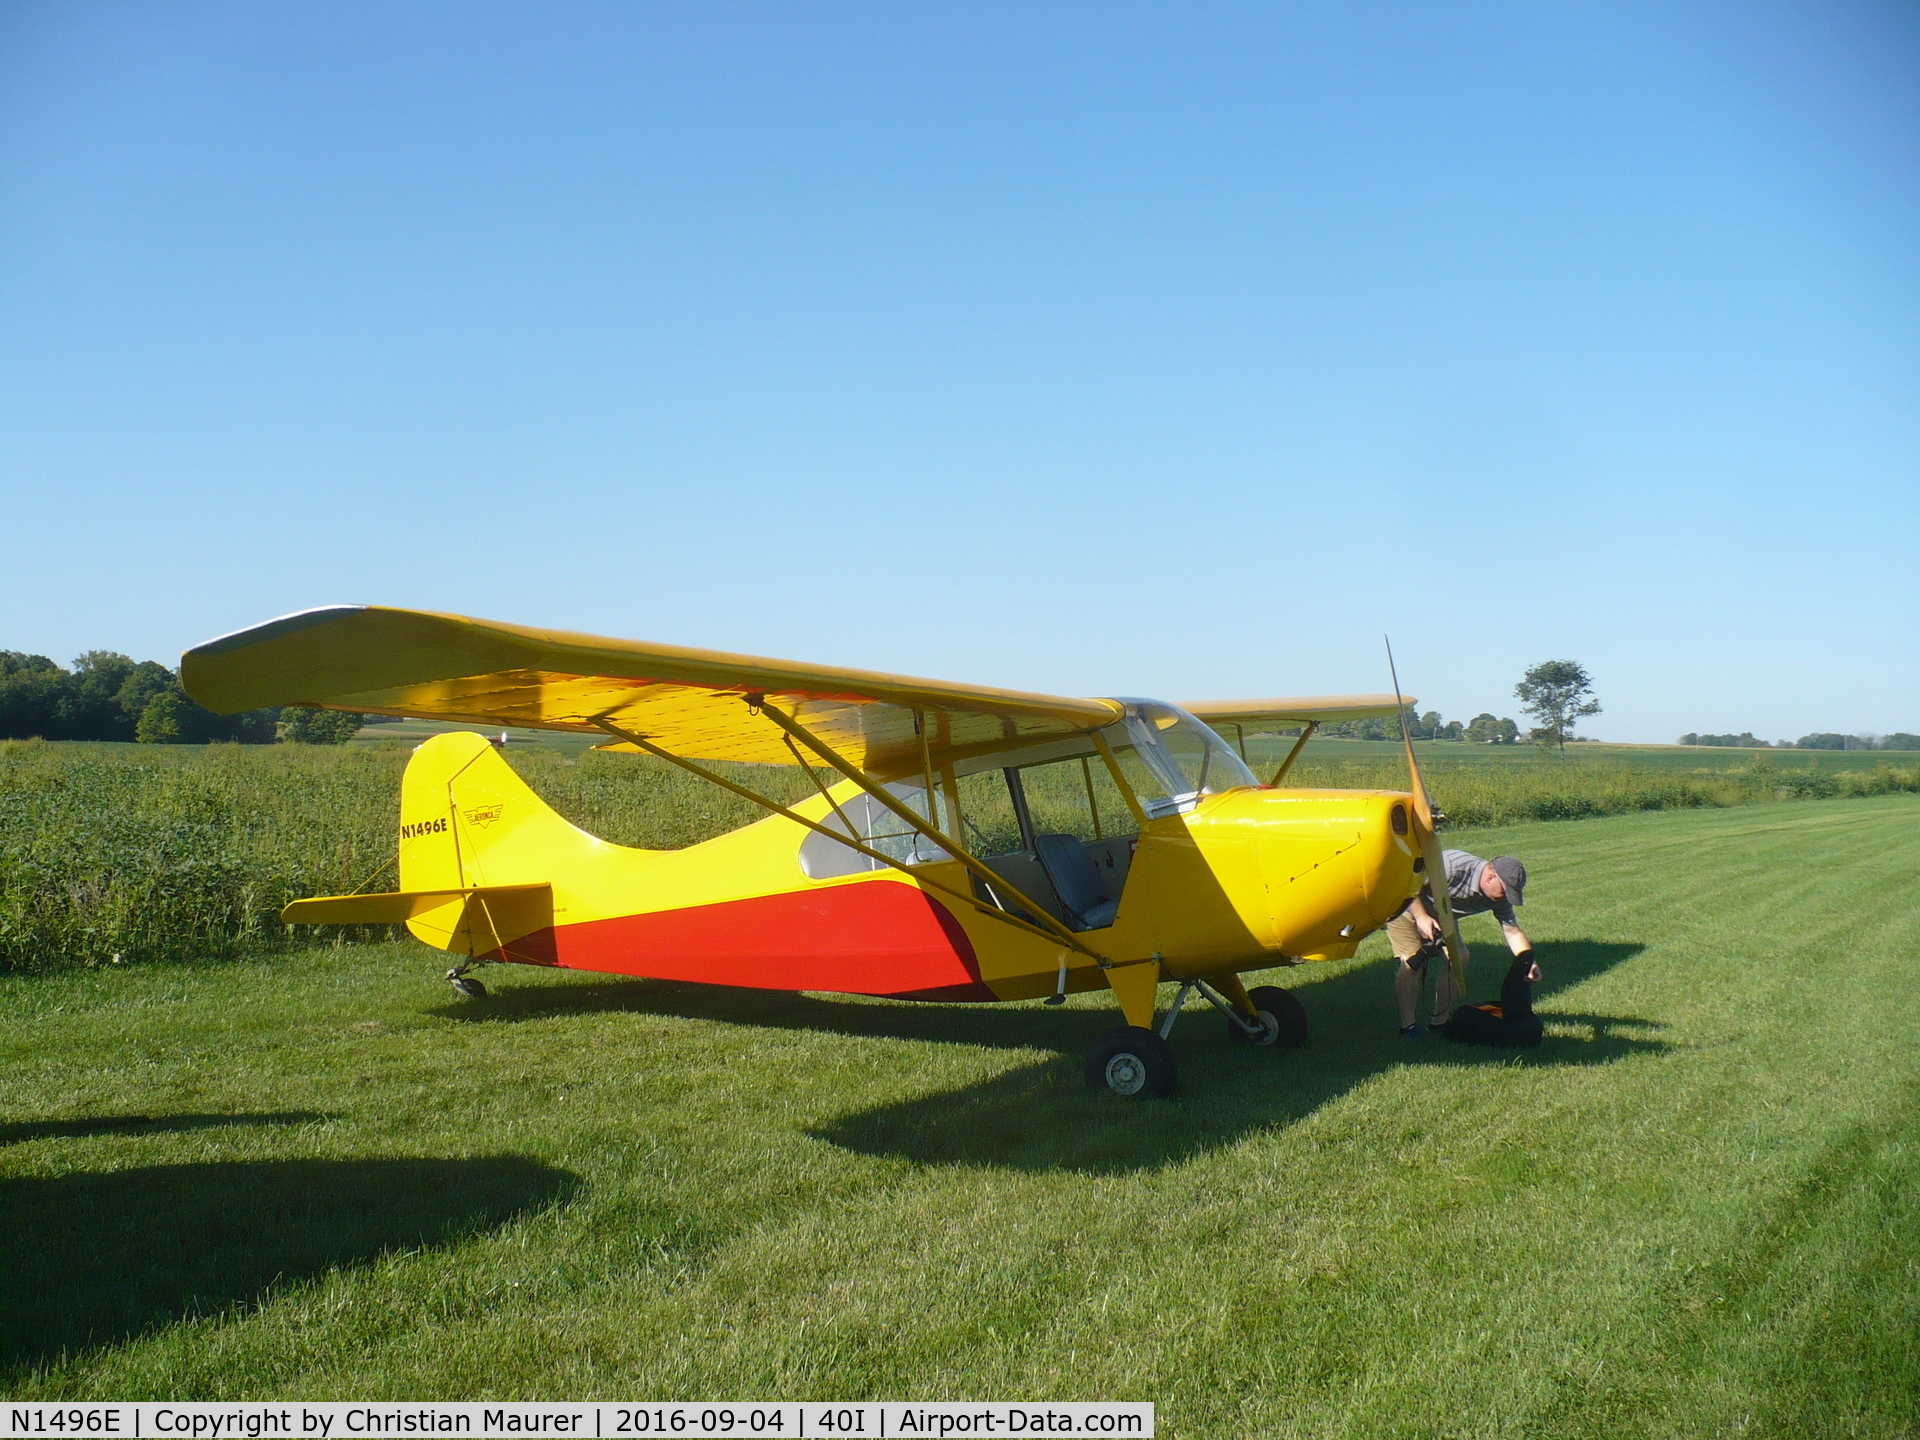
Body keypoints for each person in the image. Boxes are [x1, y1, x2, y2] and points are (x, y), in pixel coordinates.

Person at [1386, 850, 1532, 1038]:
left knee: (1459, 957)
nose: (1505, 898)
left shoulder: (1499, 898)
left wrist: (1527, 963)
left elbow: (1512, 931)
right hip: (1406, 905)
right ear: (1490, 878)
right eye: (1504, 891)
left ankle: (1439, 1022)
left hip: (1443, 914)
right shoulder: (1452, 866)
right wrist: (1421, 916)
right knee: (1411, 961)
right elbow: (1404, 881)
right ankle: (1408, 1026)